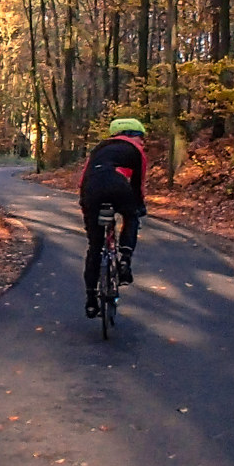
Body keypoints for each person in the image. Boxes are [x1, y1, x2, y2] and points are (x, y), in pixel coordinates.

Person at [78, 118, 148, 318]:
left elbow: (85, 177)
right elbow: (137, 184)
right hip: (118, 186)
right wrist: (138, 207)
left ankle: (91, 300)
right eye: (141, 137)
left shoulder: (99, 149)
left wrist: (85, 204)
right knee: (131, 217)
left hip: (92, 190)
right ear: (136, 136)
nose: (142, 142)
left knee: (95, 247)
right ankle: (125, 260)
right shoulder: (136, 151)